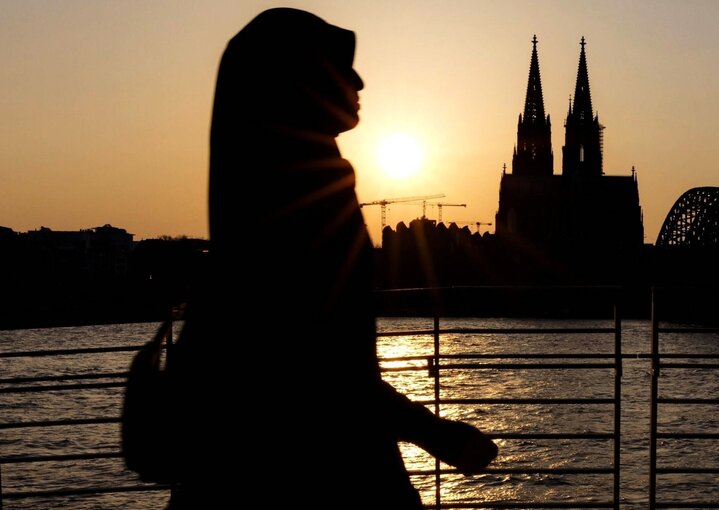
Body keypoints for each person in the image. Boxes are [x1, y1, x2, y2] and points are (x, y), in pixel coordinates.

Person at [166, 8, 496, 508]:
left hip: (236, 471)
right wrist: (440, 435)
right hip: (334, 472)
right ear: (299, 82)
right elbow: (328, 373)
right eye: (342, 67)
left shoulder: (254, 190)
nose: (360, 80)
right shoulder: (312, 194)